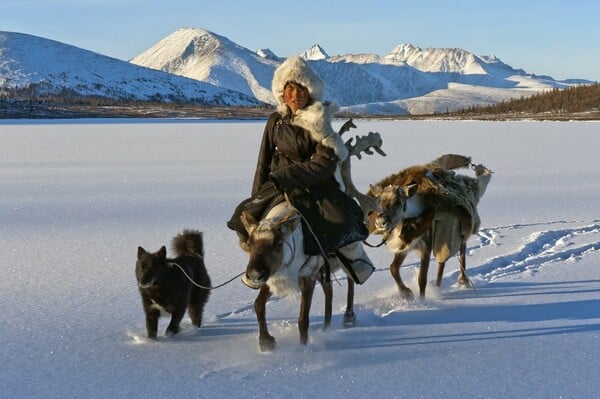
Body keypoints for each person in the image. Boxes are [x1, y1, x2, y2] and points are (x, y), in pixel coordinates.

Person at [227, 56, 374, 284]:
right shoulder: (275, 120)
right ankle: (257, 264)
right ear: (282, 93)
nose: (296, 95)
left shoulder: (319, 120)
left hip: (314, 186)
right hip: (275, 185)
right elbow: (263, 160)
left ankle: (356, 262)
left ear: (310, 91)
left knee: (342, 219)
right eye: (290, 90)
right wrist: (256, 195)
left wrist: (288, 176)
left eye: (301, 89)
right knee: (242, 217)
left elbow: (324, 163)